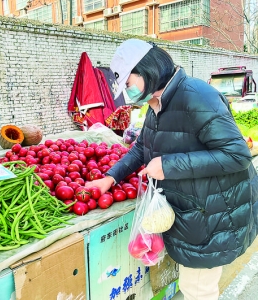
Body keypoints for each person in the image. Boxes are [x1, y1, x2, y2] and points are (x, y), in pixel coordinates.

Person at [86, 39, 258, 300]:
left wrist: (168, 165)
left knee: (197, 290)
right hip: (194, 212)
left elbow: (237, 154)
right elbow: (141, 147)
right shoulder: (156, 104)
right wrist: (111, 177)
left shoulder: (197, 96)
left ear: (147, 71)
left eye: (129, 85)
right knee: (195, 286)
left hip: (214, 216)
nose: (128, 94)